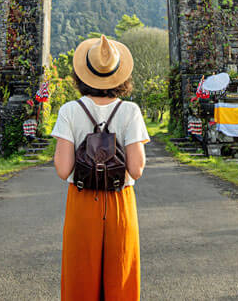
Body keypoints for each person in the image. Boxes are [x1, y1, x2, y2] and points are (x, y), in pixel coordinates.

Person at [51, 34, 150, 300]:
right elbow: (137, 169)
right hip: (120, 200)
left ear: (82, 74)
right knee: (121, 279)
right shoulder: (130, 111)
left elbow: (63, 169)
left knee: (80, 281)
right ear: (119, 74)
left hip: (82, 199)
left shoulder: (69, 111)